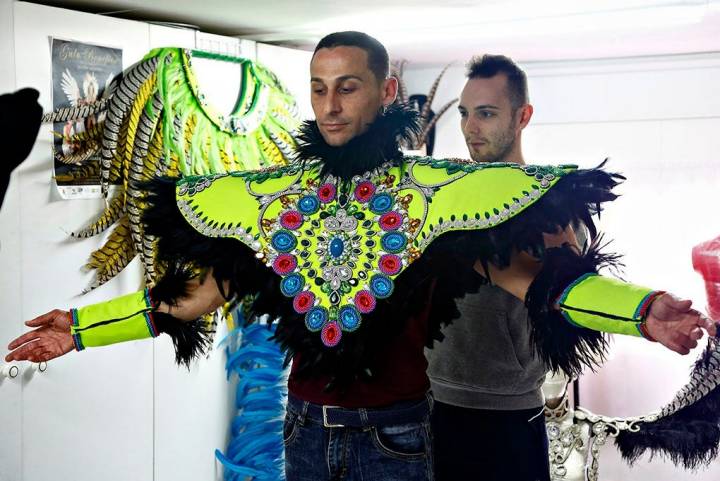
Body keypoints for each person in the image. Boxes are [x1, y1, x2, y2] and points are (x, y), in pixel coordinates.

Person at [5, 32, 715, 481]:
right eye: (318, 88)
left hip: (399, 441)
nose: (331, 104)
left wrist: (644, 311)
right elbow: (198, 292)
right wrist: (80, 328)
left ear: (382, 91)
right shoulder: (278, 198)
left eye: (347, 86)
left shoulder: (433, 199)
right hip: (301, 431)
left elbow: (535, 282)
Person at [425, 54, 561, 481]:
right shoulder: (446, 194)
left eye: (486, 113)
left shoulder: (551, 201)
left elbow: (560, 297)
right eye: (465, 113)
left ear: (523, 116)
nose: (470, 127)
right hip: (432, 403)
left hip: (509, 412)